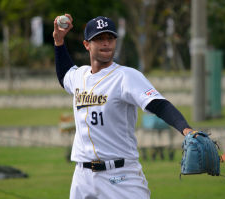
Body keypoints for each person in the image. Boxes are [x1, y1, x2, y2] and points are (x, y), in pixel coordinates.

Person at [53, 14, 193, 199]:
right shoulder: (80, 75)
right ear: (87, 44)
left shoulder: (126, 76)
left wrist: (186, 130)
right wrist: (59, 41)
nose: (106, 43)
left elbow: (158, 105)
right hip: (83, 177)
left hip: (121, 176)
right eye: (99, 38)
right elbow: (64, 75)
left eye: (110, 38)